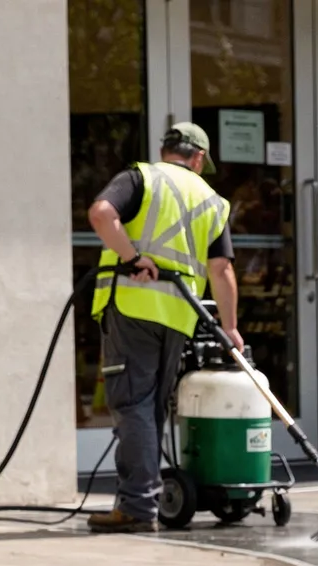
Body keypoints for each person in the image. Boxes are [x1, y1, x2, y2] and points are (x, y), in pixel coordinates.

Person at [84, 122, 237, 533]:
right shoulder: (212, 200)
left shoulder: (140, 177)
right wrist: (231, 329)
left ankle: (136, 507)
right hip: (179, 318)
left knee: (132, 405)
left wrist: (132, 257)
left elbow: (101, 214)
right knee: (149, 408)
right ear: (199, 158)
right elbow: (221, 270)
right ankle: (140, 500)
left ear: (165, 149)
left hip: (134, 308)